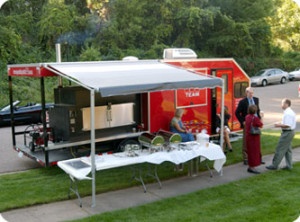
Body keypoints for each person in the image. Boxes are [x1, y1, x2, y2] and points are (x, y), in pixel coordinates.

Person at [266, 98, 296, 170]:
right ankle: (289, 165)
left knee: (280, 148)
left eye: (282, 103)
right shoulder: (289, 112)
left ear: (286, 104)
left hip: (287, 132)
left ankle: (274, 165)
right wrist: (280, 124)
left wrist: (278, 125)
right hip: (290, 132)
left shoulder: (288, 113)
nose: (281, 105)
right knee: (288, 149)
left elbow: (287, 125)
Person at [235, 87, 261, 165]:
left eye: (252, 93)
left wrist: (259, 118)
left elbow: (258, 110)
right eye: (250, 93)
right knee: (246, 141)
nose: (251, 94)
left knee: (256, 141)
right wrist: (243, 121)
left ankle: (258, 157)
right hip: (247, 123)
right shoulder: (243, 102)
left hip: (256, 123)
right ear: (246, 93)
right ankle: (246, 158)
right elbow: (237, 112)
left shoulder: (256, 99)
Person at [245, 105, 263, 174]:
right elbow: (261, 125)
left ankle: (250, 166)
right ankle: (252, 167)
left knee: (250, 152)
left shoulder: (247, 117)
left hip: (248, 136)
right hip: (254, 137)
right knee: (254, 152)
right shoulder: (255, 118)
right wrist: (262, 116)